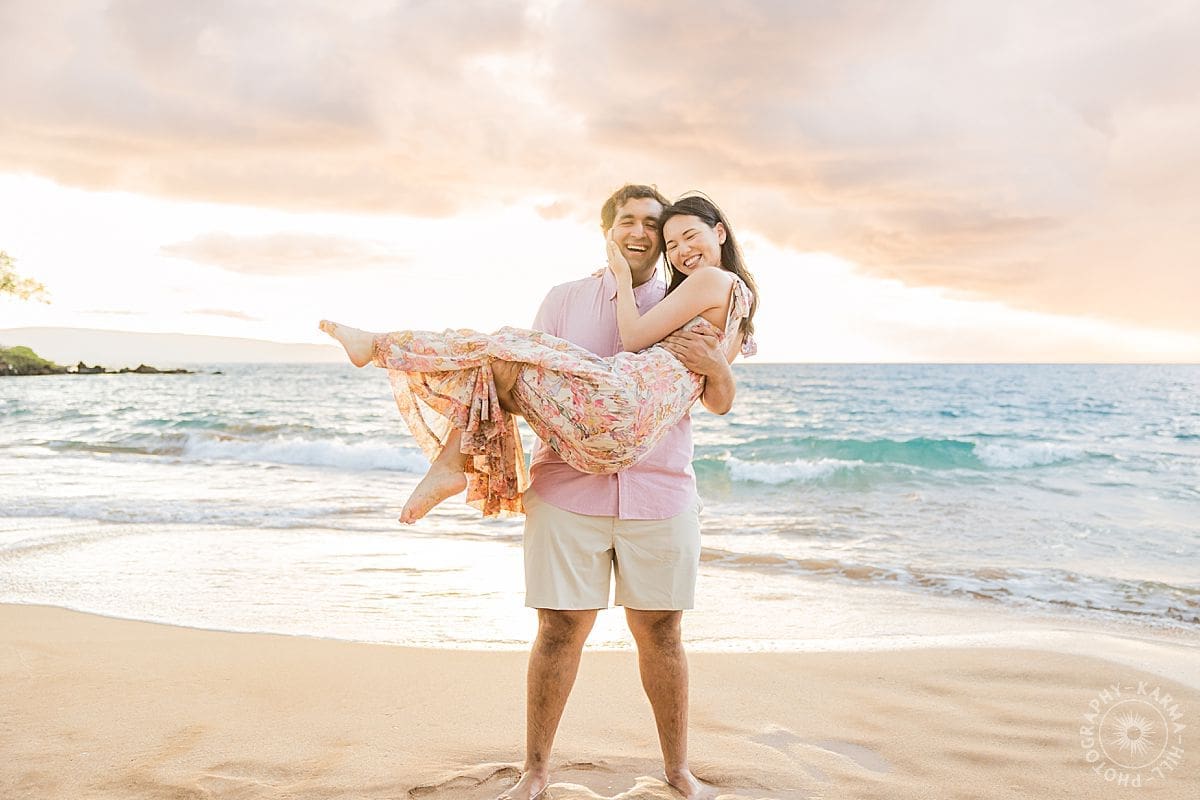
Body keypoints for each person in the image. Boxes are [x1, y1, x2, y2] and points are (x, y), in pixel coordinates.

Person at [321, 187, 757, 799]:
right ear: (607, 231)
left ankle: (678, 771)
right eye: (628, 222)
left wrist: (718, 367)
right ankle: (535, 771)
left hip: (659, 489)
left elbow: (714, 399)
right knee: (557, 631)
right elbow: (522, 386)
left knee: (662, 634)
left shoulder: (687, 295)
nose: (644, 234)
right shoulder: (565, 299)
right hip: (567, 488)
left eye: (656, 226)